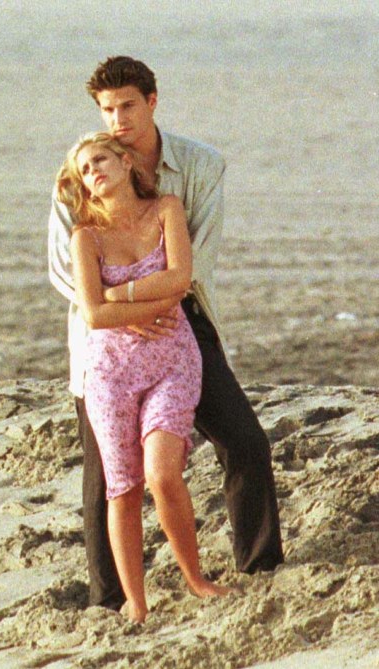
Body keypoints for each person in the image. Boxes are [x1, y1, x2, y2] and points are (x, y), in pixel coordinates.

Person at [48, 56, 284, 612]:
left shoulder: (200, 165)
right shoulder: (81, 172)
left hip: (181, 321)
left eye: (128, 105)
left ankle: (260, 566)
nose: (118, 120)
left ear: (152, 101)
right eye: (107, 110)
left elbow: (194, 261)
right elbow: (62, 269)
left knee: (245, 441)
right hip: (103, 337)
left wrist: (140, 299)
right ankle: (111, 599)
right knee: (106, 475)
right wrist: (118, 308)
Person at [56, 131, 237, 622]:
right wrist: (136, 304)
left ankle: (196, 580)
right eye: (84, 170)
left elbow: (179, 281)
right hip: (110, 374)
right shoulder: (85, 237)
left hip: (171, 362)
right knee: (123, 486)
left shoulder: (166, 210)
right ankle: (135, 602)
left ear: (125, 161)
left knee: (162, 473)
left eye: (100, 159)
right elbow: (94, 315)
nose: (93, 171)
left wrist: (120, 294)